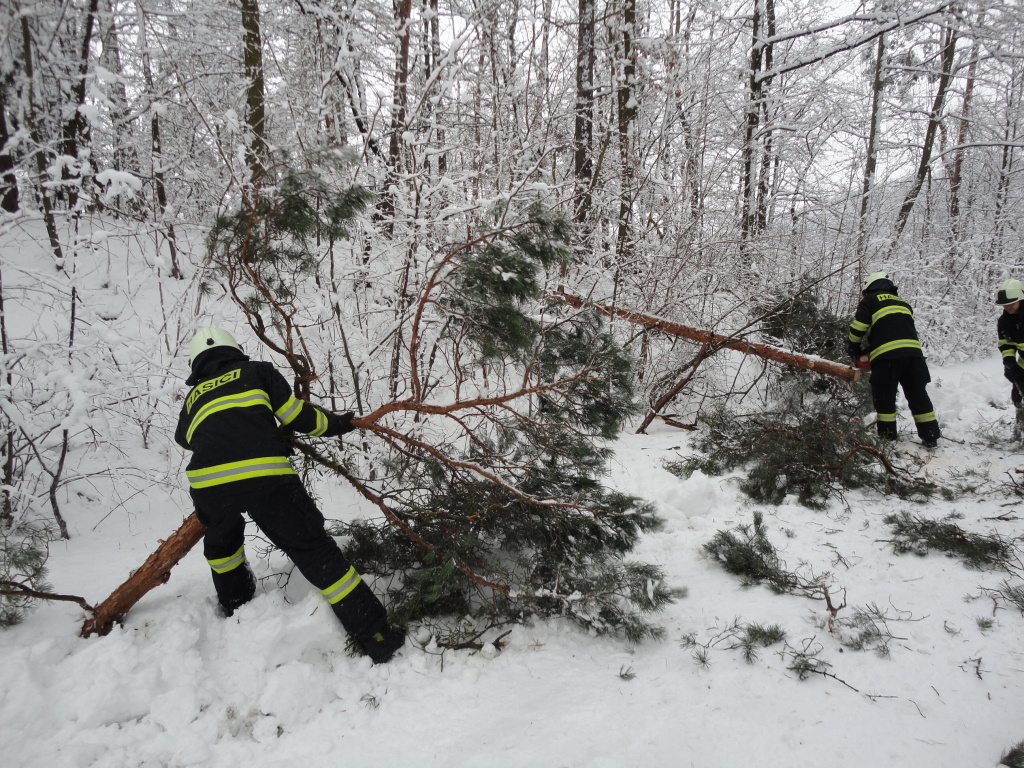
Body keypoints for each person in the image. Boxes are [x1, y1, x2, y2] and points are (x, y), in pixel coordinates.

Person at [174, 327, 405, 664]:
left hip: (208, 485)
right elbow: (298, 416)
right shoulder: (257, 372)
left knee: (222, 545)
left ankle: (236, 604)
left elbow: (185, 439)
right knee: (312, 549)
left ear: (197, 365)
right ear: (234, 351)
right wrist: (341, 424)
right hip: (265, 476)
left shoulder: (192, 398)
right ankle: (377, 636)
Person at [847, 272, 942, 447]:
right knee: (918, 395)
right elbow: (893, 331)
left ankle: (888, 438)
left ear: (869, 288)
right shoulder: (903, 303)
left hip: (887, 360)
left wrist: (854, 349)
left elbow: (858, 328)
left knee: (885, 397)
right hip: (914, 357)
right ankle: (930, 435)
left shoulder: (870, 301)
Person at [995, 279, 1024, 433]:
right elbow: (1006, 344)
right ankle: (1021, 428)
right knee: (1017, 396)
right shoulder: (1005, 321)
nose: (1008, 307)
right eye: (1004, 305)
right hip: (1022, 364)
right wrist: (1009, 362)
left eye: (1012, 303)